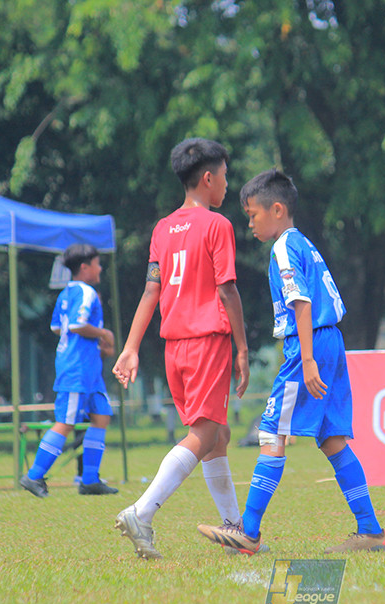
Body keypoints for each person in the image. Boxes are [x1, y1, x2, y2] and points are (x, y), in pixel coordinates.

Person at [197, 169, 385, 555]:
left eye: (253, 214)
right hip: (330, 339)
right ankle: (370, 531)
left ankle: (247, 533)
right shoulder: (305, 244)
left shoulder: (283, 247)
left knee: (271, 433)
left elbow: (300, 302)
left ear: (278, 209)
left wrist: (308, 359)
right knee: (332, 439)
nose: (249, 222)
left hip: (310, 345)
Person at [111, 137, 250, 560]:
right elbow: (226, 290)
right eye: (224, 176)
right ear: (208, 179)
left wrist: (131, 347)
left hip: (174, 346)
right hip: (207, 340)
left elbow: (152, 290)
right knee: (205, 432)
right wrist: (242, 348)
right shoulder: (217, 225)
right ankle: (143, 512)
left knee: (218, 435)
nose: (227, 184)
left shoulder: (162, 229)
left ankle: (235, 528)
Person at [19, 243, 119, 497]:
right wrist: (104, 333)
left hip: (89, 369)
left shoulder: (66, 293)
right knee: (66, 422)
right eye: (97, 263)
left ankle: (90, 479)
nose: (100, 268)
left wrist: (94, 344)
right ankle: (34, 477)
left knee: (101, 416)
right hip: (77, 369)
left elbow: (57, 328)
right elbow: (76, 325)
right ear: (84, 267)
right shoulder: (87, 292)